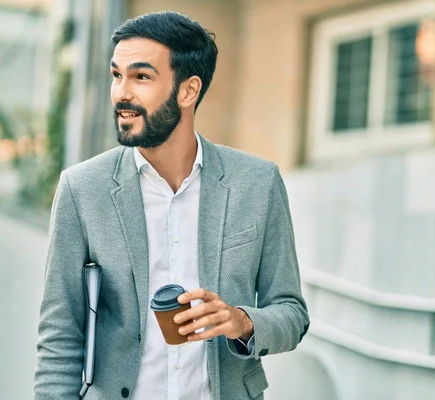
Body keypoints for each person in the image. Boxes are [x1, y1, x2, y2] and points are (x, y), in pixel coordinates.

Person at [33, 11, 309, 400]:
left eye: (141, 77)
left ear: (188, 91)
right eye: (117, 75)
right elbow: (60, 336)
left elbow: (292, 313)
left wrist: (240, 321)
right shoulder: (82, 189)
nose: (121, 93)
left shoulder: (257, 183)